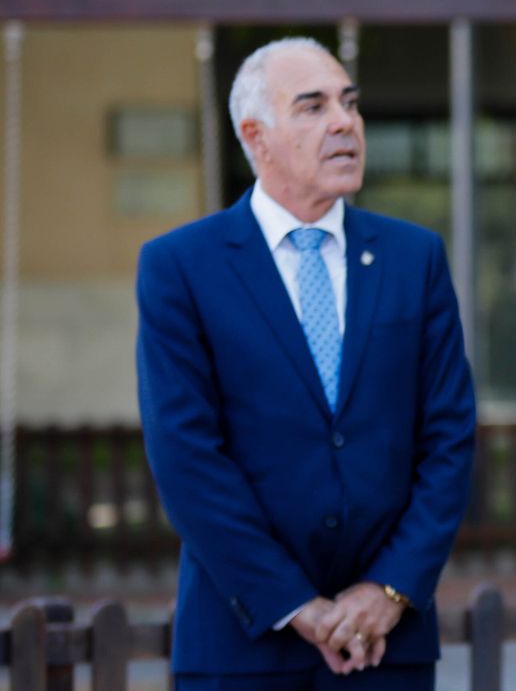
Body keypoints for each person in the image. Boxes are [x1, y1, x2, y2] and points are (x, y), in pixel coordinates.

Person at [136, 37, 477, 689]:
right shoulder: (181, 267)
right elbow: (186, 455)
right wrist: (299, 605)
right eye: (313, 106)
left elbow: (449, 439)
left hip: (388, 646)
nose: (344, 122)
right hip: (241, 644)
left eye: (349, 103)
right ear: (256, 135)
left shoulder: (415, 258)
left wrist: (390, 588)